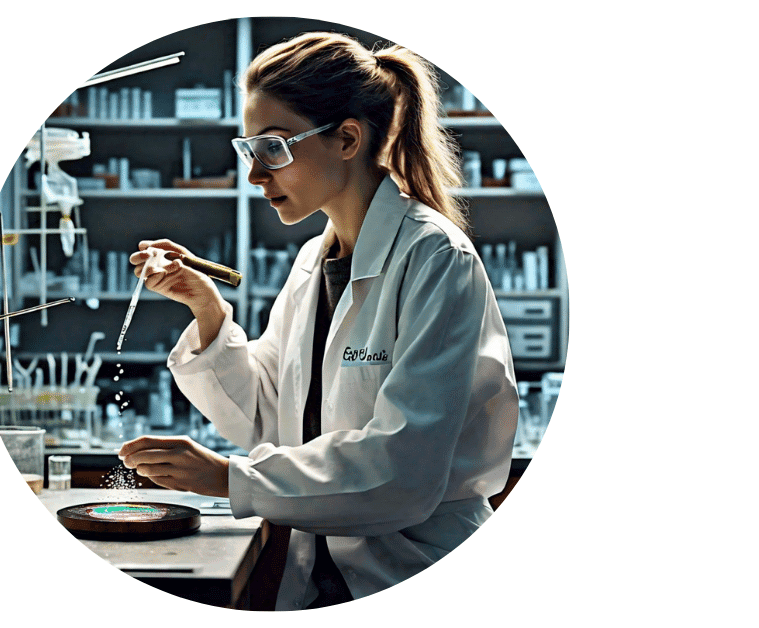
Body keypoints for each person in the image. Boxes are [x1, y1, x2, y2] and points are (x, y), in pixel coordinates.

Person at [118, 31, 518, 610]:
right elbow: (267, 415)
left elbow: (403, 470)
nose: (255, 174)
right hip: (321, 582)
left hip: (415, 572)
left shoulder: (435, 259)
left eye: (274, 148)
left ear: (348, 139)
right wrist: (205, 308)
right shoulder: (315, 259)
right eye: (248, 149)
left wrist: (231, 479)